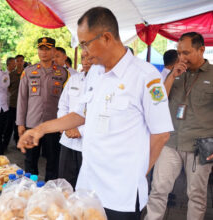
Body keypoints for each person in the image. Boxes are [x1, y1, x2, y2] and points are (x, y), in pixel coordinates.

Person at [17, 7, 173, 220]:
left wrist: (136, 175)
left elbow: (161, 133)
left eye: (85, 44)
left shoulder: (145, 76)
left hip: (121, 195)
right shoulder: (95, 74)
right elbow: (80, 114)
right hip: (88, 186)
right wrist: (40, 129)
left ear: (107, 37)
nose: (85, 52)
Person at [146, 32, 213, 220]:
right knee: (158, 189)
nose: (182, 57)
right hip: (171, 141)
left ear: (201, 49)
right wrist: (171, 76)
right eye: (179, 53)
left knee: (197, 196)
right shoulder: (174, 73)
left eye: (186, 53)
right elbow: (157, 100)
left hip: (202, 145)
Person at [16, 37, 68, 181]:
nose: (44, 52)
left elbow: (67, 101)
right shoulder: (28, 71)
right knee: (30, 160)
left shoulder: (62, 73)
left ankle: (50, 190)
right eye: (41, 49)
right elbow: (22, 99)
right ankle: (30, 188)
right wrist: (20, 123)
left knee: (53, 160)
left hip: (53, 126)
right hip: (32, 124)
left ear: (53, 51)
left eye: (47, 49)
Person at [57, 51, 92, 188]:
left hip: (87, 143)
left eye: (89, 58)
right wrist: (66, 126)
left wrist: (80, 130)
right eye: (83, 58)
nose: (86, 61)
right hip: (68, 140)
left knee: (84, 187)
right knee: (65, 184)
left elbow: (100, 114)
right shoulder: (74, 79)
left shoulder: (103, 83)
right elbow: (62, 105)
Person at [3, 57, 21, 150]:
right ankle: (5, 144)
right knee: (9, 125)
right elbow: (7, 88)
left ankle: (18, 142)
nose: (16, 64)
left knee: (19, 125)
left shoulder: (23, 74)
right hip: (11, 103)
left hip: (20, 104)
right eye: (14, 62)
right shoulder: (8, 75)